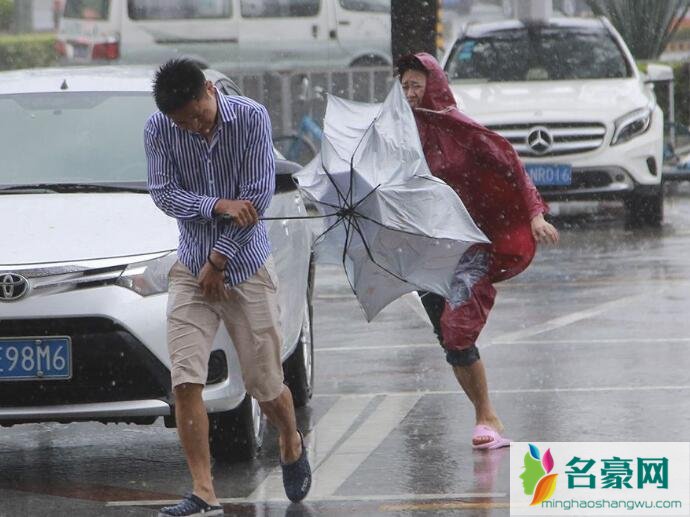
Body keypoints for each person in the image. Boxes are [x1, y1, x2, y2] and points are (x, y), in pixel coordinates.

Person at [144, 58, 311, 516]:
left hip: (245, 268)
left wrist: (220, 259)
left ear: (208, 92)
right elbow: (163, 192)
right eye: (183, 123)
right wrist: (216, 204)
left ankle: (290, 437)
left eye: (197, 115)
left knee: (264, 383)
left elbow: (255, 197)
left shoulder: (251, 117)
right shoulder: (159, 128)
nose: (194, 127)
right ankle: (203, 491)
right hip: (191, 270)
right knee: (185, 380)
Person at [397, 52, 559, 450]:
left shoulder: (460, 129)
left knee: (458, 327)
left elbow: (511, 165)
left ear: (433, 85)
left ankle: (486, 415)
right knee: (451, 339)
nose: (410, 92)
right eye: (404, 86)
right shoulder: (396, 135)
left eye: (416, 84)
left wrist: (535, 214)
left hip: (474, 242)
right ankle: (485, 416)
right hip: (429, 246)